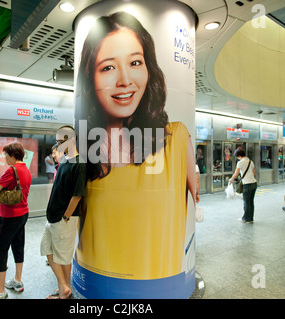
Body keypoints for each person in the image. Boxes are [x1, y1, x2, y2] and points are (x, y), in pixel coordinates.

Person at [73, 11, 196, 296]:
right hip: (95, 283)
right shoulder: (81, 145)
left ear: (148, 68)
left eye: (135, 62)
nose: (125, 80)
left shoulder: (177, 138)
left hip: (163, 286)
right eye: (107, 68)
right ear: (90, 78)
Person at [41, 125, 86, 299]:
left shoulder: (79, 163)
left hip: (64, 218)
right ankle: (63, 286)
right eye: (57, 141)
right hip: (53, 217)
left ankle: (64, 291)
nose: (58, 145)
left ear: (72, 140)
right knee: (47, 248)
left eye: (62, 141)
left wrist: (66, 216)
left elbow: (77, 195)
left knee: (64, 256)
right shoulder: (65, 160)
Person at [0, 143, 31, 299]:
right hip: (23, 213)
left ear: (13, 155)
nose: (5, 157)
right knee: (18, 245)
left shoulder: (11, 170)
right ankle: (18, 280)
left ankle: (0, 291)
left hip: (9, 216)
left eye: (6, 155)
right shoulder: (25, 169)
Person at [229, 148, 257, 223]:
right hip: (254, 183)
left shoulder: (240, 162)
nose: (237, 158)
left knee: (246, 202)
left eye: (237, 157)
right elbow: (254, 173)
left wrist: (231, 179)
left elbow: (236, 173)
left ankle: (245, 218)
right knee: (251, 202)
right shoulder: (251, 162)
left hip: (247, 184)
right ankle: (250, 218)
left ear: (239, 156)